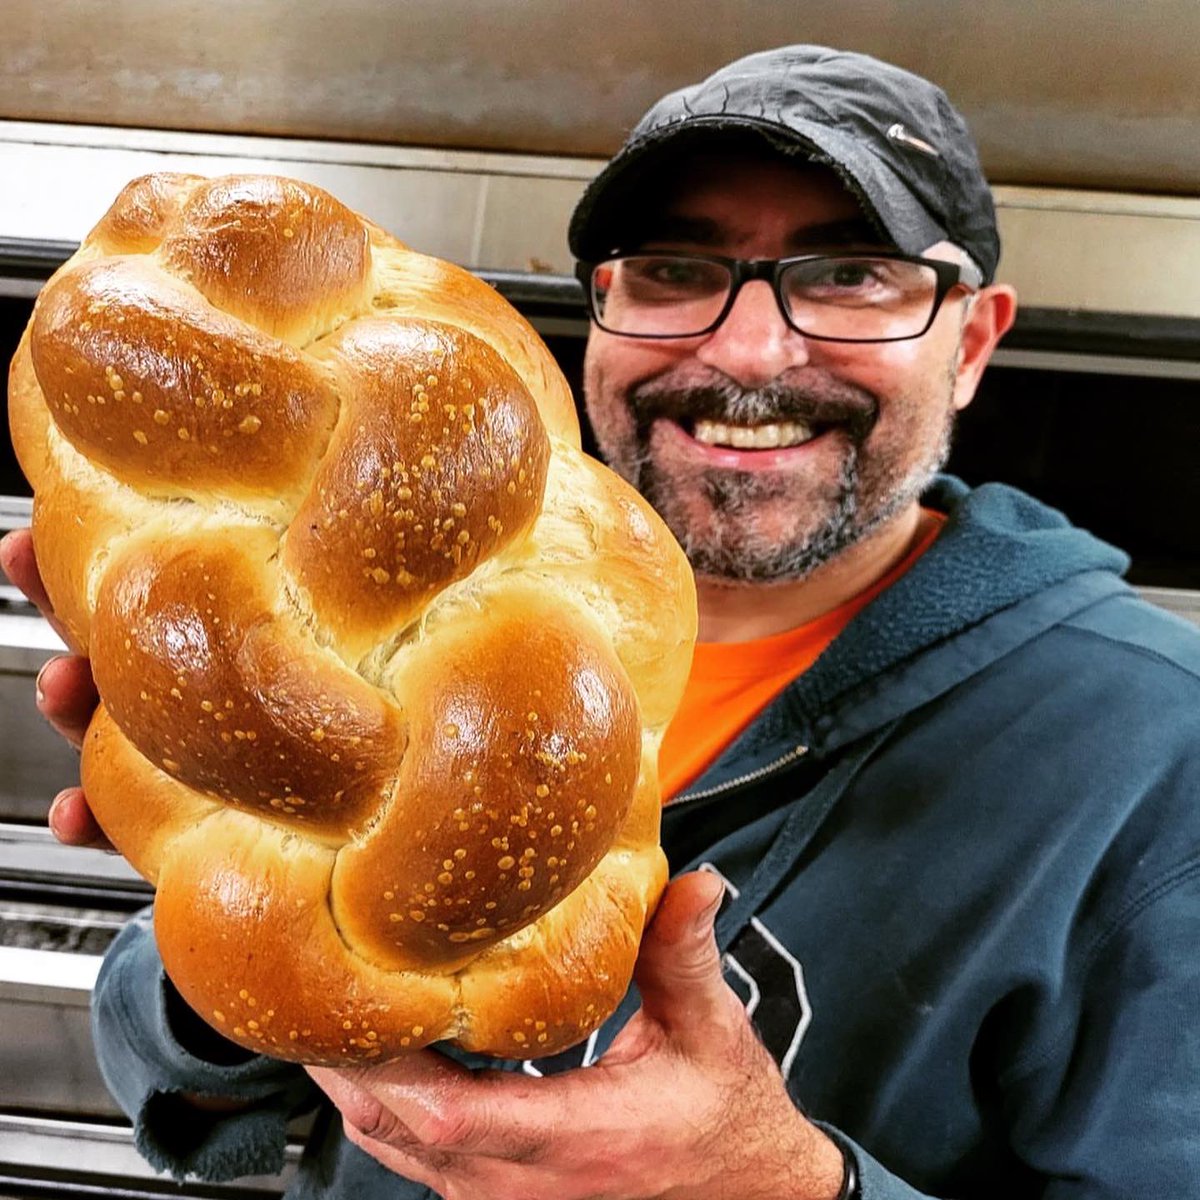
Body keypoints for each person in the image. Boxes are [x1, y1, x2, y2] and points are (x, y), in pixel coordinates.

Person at [4, 43, 1200, 1200]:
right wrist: (217, 932)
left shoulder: (1155, 752)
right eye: (677, 268)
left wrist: (780, 1190)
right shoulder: (420, 579)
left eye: (850, 277)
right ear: (602, 309)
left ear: (975, 340)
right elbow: (195, 1089)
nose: (748, 349)